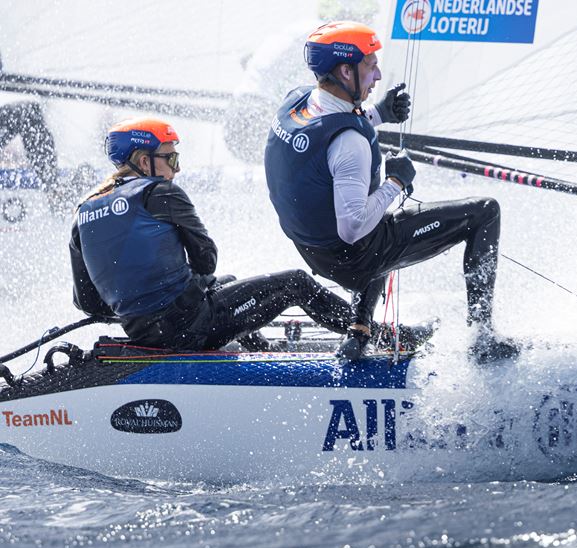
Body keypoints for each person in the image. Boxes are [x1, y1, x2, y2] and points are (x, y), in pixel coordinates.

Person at [264, 21, 519, 364]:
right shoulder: (351, 144)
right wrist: (395, 183)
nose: (379, 75)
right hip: (353, 259)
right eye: (371, 65)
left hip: (311, 248)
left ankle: (359, 331)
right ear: (345, 70)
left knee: (380, 216)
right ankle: (482, 338)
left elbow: (326, 132)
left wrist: (379, 113)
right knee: (485, 211)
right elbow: (353, 226)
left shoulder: (295, 103)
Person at [69, 117, 417, 352]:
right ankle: (383, 338)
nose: (178, 168)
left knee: (226, 283)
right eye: (171, 159)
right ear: (144, 162)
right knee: (296, 282)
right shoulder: (161, 193)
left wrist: (142, 308)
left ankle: (263, 353)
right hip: (189, 328)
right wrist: (181, 296)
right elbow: (207, 259)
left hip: (143, 331)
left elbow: (89, 302)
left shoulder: (83, 211)